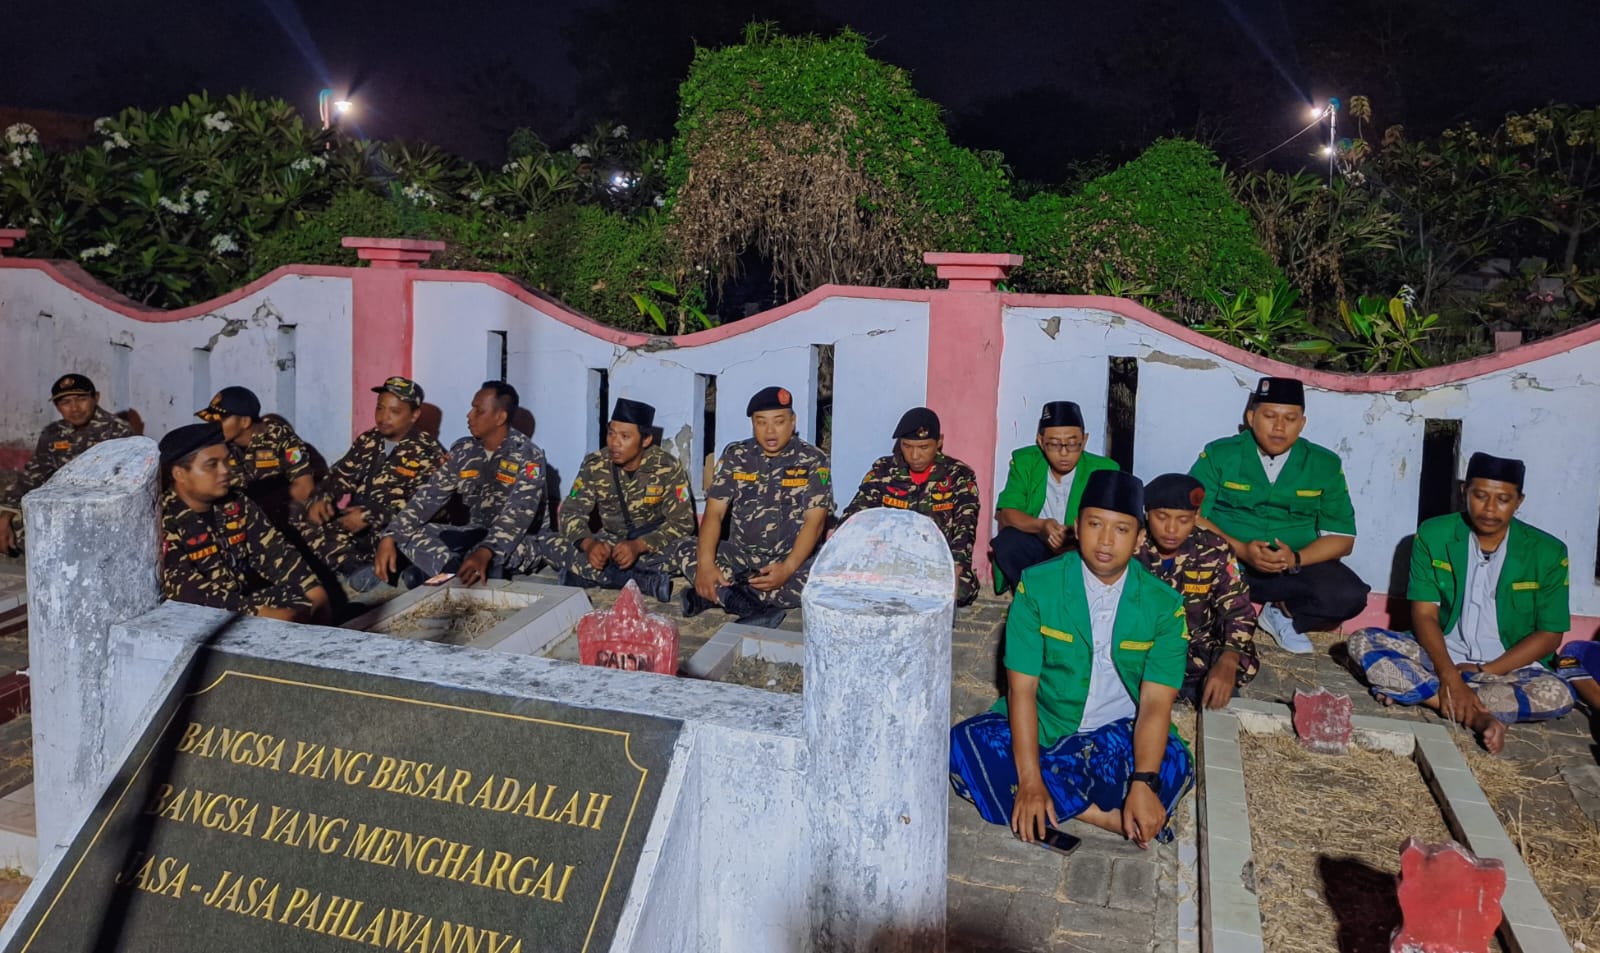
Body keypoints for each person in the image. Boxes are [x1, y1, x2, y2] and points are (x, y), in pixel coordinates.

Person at [950, 470, 1193, 849]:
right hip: (1049, 727)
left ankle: (1064, 800)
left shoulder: (1165, 606)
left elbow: (1155, 704)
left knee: (1174, 761)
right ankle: (1103, 815)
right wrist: (1030, 781)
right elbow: (1022, 691)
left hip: (1121, 735)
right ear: (1077, 526)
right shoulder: (1038, 587)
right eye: (1095, 524)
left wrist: (1144, 782)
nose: (1106, 541)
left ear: (1140, 539)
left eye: (1122, 530)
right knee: (967, 742)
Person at [1348, 453, 1574, 754]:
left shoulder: (1548, 552)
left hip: (1509, 667)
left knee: (1558, 694)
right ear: (1463, 491)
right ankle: (1480, 715)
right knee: (1361, 642)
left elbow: (1550, 636)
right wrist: (1450, 675)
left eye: (1503, 499)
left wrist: (1487, 669)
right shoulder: (1434, 534)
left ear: (1519, 501)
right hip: (1440, 655)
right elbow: (1424, 614)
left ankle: (1422, 694)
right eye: (1480, 496)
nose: (1490, 509)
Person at [1189, 376, 1370, 653]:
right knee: (1186, 582)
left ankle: (1282, 613)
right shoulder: (1220, 454)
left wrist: (1295, 558)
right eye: (1270, 416)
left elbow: (1342, 539)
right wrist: (1240, 550)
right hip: (1231, 563)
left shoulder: (1324, 464)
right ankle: (1227, 619)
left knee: (1349, 596)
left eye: (1290, 418)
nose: (1279, 427)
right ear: (1251, 417)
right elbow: (1192, 516)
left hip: (1290, 570)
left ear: (1302, 423)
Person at [673, 385, 831, 628]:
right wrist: (705, 565)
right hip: (742, 559)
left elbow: (816, 520)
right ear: (753, 424)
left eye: (778, 421)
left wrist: (787, 568)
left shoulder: (813, 459)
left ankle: (721, 594)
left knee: (821, 580)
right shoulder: (737, 455)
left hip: (791, 561)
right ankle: (741, 600)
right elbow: (715, 513)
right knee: (684, 547)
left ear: (793, 421)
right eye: (761, 422)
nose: (770, 431)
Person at [376, 381, 547, 588]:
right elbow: (429, 496)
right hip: (473, 533)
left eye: (478, 410)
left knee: (508, 553)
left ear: (500, 417)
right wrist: (391, 536)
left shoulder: (529, 456)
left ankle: (446, 570)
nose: (469, 415)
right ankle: (455, 569)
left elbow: (518, 515)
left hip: (517, 539)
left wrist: (486, 550)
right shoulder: (464, 450)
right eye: (472, 408)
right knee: (405, 532)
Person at [158, 423, 329, 623]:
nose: (225, 470)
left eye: (226, 461)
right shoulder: (163, 520)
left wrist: (317, 594)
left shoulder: (235, 504)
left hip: (237, 605)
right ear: (180, 474)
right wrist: (261, 613)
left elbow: (277, 554)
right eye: (212, 465)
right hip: (188, 618)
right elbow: (188, 594)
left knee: (304, 603)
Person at [297, 377, 445, 592]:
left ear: (414, 415)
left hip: (395, 532)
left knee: (405, 540)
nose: (384, 417)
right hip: (359, 525)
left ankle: (394, 570)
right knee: (305, 517)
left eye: (394, 411)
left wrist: (370, 515)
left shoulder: (427, 451)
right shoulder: (369, 440)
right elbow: (340, 475)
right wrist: (324, 497)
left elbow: (429, 508)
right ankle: (356, 569)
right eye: (380, 408)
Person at [544, 398, 696, 601]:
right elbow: (571, 511)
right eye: (611, 433)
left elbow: (683, 522)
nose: (615, 443)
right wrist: (589, 545)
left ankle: (596, 576)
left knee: (691, 550)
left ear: (645, 440)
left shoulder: (667, 467)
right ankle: (639, 581)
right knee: (550, 544)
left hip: (652, 546)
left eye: (625, 436)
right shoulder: (595, 464)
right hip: (610, 546)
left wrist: (639, 546)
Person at [1135, 473, 1259, 709]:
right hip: (1143, 644)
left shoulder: (1213, 548)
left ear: (1196, 517)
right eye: (1162, 517)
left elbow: (1238, 608)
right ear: (1147, 513)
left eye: (1183, 520)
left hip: (1194, 648)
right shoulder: (1133, 546)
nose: (1171, 529)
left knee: (1242, 662)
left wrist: (1228, 659)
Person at [840, 407, 982, 606]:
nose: (915, 455)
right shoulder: (884, 470)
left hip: (936, 561)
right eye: (907, 446)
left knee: (962, 589)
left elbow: (965, 525)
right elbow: (857, 512)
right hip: (889, 557)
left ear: (939, 442)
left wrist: (956, 564)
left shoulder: (958, 474)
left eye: (924, 447)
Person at [990, 400, 1120, 593]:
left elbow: (1109, 525)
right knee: (1009, 542)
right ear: (1040, 442)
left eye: (1073, 444)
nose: (1064, 453)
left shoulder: (1104, 470)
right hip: (1039, 545)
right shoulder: (1025, 462)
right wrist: (1041, 526)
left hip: (1080, 549)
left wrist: (1071, 537)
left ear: (1084, 441)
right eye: (1054, 444)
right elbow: (1007, 513)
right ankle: (1032, 596)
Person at [0, 373, 133, 555]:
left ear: (96, 398)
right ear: (57, 407)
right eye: (65, 403)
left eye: (81, 399)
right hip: (58, 511)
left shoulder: (119, 432)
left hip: (102, 516)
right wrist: (6, 514)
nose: (75, 408)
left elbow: (126, 487)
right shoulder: (53, 434)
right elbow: (32, 477)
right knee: (9, 524)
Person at [195, 386, 315, 524]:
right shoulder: (216, 444)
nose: (212, 426)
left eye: (220, 420)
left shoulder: (281, 439)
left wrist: (261, 504)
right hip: (231, 518)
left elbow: (305, 487)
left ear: (244, 421)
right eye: (211, 419)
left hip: (275, 519)